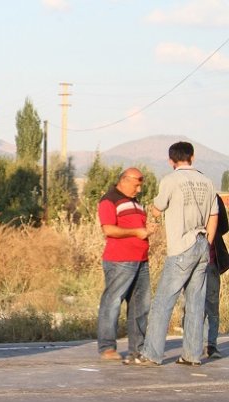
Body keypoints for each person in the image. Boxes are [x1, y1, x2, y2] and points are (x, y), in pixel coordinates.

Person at [136, 141, 218, 366]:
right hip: (202, 243)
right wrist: (207, 242)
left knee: (163, 301)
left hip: (181, 246)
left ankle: (151, 354)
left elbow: (157, 207)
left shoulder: (170, 180)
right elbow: (214, 216)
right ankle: (192, 355)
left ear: (171, 161)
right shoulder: (207, 181)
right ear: (192, 157)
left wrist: (152, 212)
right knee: (195, 303)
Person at [96, 167, 154, 363]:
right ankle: (107, 347)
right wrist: (137, 232)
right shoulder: (109, 199)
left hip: (141, 260)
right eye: (136, 185)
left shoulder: (135, 203)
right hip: (120, 260)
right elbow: (109, 229)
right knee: (112, 302)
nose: (138, 189)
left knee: (140, 306)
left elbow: (137, 228)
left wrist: (147, 230)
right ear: (125, 179)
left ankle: (137, 349)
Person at [204, 196, 228, 359]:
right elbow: (225, 226)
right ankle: (209, 345)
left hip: (208, 260)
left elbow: (225, 225)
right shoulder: (213, 196)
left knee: (203, 304)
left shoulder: (213, 197)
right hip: (204, 261)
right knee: (210, 305)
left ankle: (206, 344)